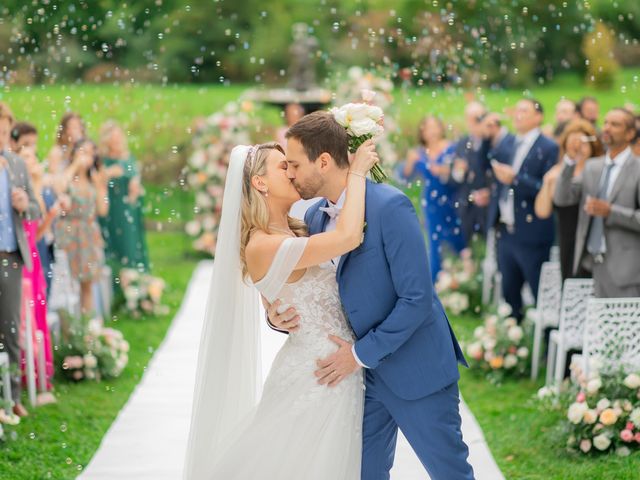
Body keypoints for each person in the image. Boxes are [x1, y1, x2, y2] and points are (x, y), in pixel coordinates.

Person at [267, 112, 473, 479]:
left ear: (325, 161)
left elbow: (417, 298)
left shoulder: (389, 207)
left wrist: (360, 355)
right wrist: (276, 318)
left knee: (450, 473)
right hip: (358, 387)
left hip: (415, 369)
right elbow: (313, 291)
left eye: (295, 164)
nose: (291, 174)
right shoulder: (315, 217)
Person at [184, 138, 380, 479]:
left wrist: (273, 316)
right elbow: (349, 237)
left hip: (334, 369)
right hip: (316, 377)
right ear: (260, 182)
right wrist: (358, 171)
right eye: (282, 166)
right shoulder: (262, 244)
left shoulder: (298, 224)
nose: (291, 170)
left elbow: (283, 298)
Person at [554, 108, 640, 297]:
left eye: (615, 124)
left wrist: (611, 212)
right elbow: (562, 198)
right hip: (589, 265)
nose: (607, 128)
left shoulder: (637, 169)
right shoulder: (593, 167)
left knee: (623, 327)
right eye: (606, 122)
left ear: (630, 133)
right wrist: (569, 161)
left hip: (625, 272)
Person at [487, 99, 558, 320]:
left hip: (532, 233)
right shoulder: (508, 144)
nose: (518, 115)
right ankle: (513, 343)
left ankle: (545, 346)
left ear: (539, 117)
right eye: (516, 111)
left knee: (539, 293)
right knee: (509, 292)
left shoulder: (549, 147)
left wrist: (516, 178)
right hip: (505, 230)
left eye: (524, 111)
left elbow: (547, 188)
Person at [0, 102, 41, 418]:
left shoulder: (16, 164)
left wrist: (25, 202)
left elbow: (36, 211)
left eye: (4, 132)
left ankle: (11, 396)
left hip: (10, 256)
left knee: (10, 328)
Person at [534, 119, 604, 282]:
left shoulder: (600, 171)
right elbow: (542, 211)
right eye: (573, 143)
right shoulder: (559, 172)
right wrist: (548, 182)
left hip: (592, 243)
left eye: (582, 143)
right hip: (566, 241)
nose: (578, 148)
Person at [401, 115, 466, 281]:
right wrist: (409, 162)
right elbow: (404, 177)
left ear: (441, 128)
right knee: (434, 242)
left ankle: (462, 276)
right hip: (431, 203)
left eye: (434, 127)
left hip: (452, 200)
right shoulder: (418, 153)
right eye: (426, 128)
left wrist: (447, 170)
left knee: (457, 238)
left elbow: (462, 173)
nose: (430, 132)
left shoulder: (452, 148)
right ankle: (435, 282)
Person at [54, 139, 109, 315]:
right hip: (68, 232)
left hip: (88, 233)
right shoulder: (67, 175)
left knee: (87, 284)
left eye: (91, 152)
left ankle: (87, 329)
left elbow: (102, 210)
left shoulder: (95, 179)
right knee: (67, 284)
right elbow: (59, 188)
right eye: (83, 151)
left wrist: (101, 186)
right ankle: (69, 332)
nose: (87, 156)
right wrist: (75, 166)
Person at [98, 121, 149, 278]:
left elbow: (135, 178)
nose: (117, 141)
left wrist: (136, 185)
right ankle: (117, 283)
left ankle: (137, 281)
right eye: (114, 138)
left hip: (129, 209)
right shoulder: (102, 160)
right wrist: (108, 174)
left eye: (119, 137)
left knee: (132, 244)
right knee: (115, 244)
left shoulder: (128, 157)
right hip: (112, 208)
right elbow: (98, 181)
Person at [450, 101, 492, 242]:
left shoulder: (492, 141)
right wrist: (458, 171)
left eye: (479, 118)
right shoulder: (462, 142)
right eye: (471, 118)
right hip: (467, 208)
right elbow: (455, 178)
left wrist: (490, 192)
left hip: (489, 208)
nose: (475, 122)